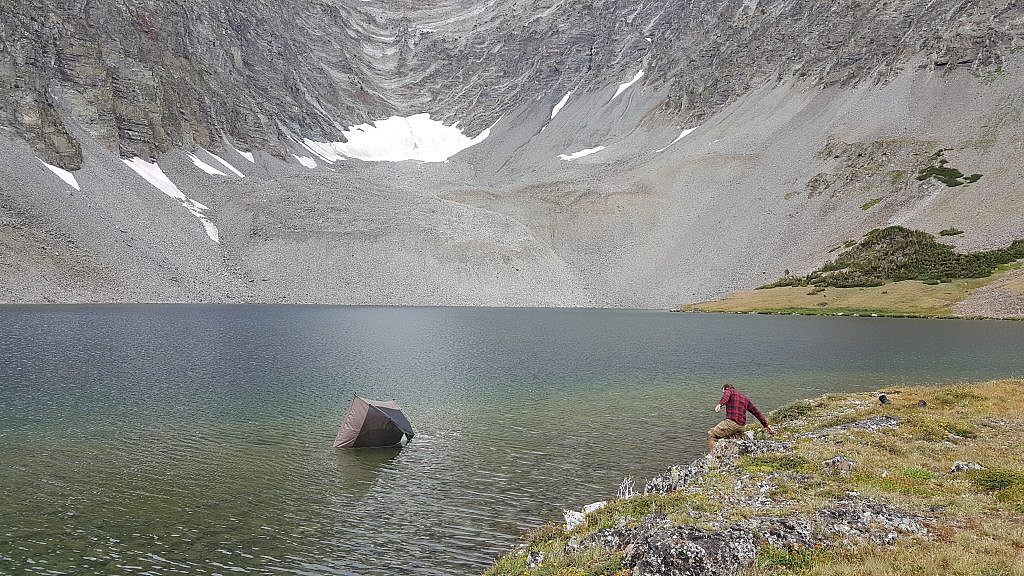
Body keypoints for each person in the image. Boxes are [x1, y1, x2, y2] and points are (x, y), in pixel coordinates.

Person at [708, 384, 774, 451]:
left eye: (723, 392)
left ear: (725, 388)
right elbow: (756, 412)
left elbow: (726, 396)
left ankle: (715, 457)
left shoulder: (729, 390)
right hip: (741, 427)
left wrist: (720, 404)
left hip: (731, 423)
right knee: (731, 438)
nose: (724, 393)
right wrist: (765, 425)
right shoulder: (745, 398)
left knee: (711, 434)